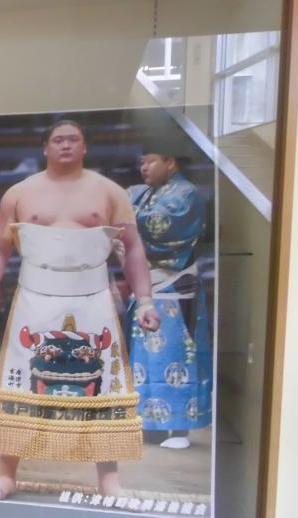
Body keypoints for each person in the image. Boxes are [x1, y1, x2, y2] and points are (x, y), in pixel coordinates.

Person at [0, 120, 160, 500]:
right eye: (58, 140)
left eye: (73, 139)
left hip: (93, 298)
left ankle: (108, 480)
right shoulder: (19, 193)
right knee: (20, 381)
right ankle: (7, 474)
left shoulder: (110, 192)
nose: (65, 146)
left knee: (103, 383)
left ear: (85, 146)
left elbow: (133, 248)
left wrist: (145, 300)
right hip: (33, 299)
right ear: (46, 147)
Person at [124, 145, 211, 450]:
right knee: (146, 357)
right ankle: (152, 425)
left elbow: (157, 225)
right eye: (141, 162)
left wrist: (125, 214)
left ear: (170, 162)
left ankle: (178, 429)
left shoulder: (185, 194)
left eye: (149, 161)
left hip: (174, 285)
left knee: (176, 356)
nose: (143, 167)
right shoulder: (148, 192)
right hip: (148, 286)